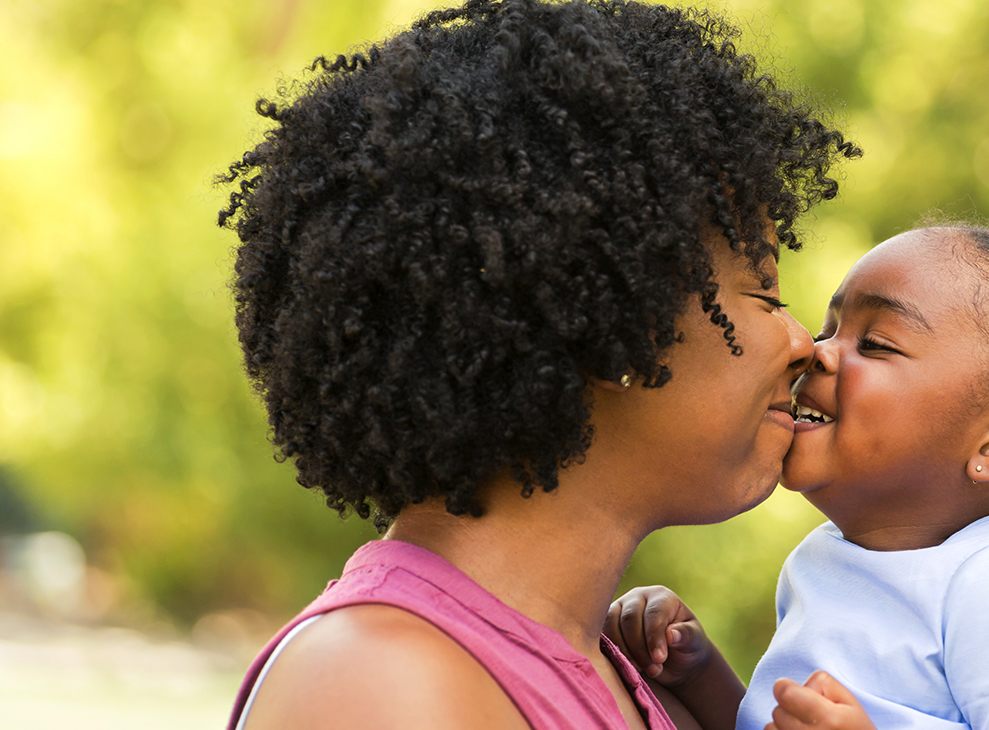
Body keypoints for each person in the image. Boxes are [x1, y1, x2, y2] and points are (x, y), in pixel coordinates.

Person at [214, 1, 858, 728]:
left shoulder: (628, 673)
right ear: (617, 323)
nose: (804, 344)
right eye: (764, 293)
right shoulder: (384, 680)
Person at [607, 225, 989, 730]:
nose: (815, 351)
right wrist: (696, 674)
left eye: (876, 343)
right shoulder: (825, 562)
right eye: (829, 329)